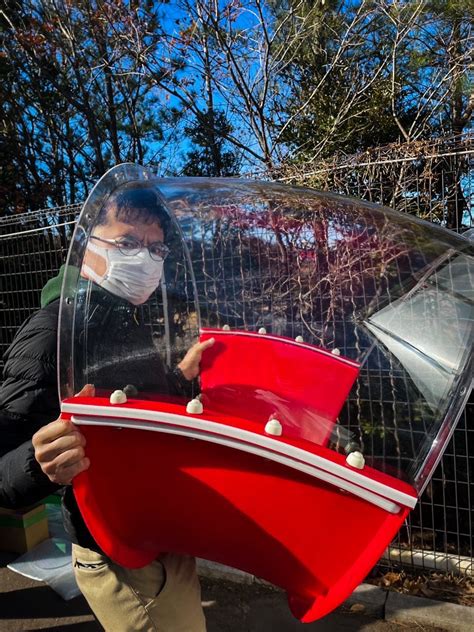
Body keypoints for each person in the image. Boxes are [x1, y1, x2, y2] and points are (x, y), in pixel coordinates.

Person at [0, 183, 213, 631]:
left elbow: (133, 412)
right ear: (87, 248)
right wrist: (39, 461)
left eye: (156, 248)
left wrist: (180, 379)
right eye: (129, 243)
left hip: (161, 530)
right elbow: (3, 470)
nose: (145, 258)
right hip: (116, 548)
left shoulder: (127, 320)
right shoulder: (52, 333)